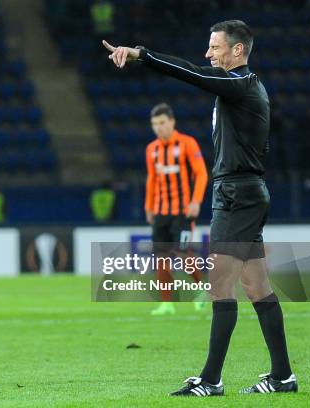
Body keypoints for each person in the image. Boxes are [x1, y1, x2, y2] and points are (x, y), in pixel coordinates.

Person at [103, 20, 297, 396]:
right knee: (256, 287)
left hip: (238, 195)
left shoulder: (240, 84)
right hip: (240, 193)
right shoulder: (242, 89)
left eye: (216, 47)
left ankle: (210, 380)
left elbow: (192, 73)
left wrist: (143, 55)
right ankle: (283, 376)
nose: (208, 54)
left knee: (219, 285)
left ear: (237, 50)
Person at [145, 103, 208, 316]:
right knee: (161, 257)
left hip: (182, 211)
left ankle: (201, 289)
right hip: (161, 211)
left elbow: (201, 174)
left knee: (182, 253)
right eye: (155, 124)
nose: (158, 128)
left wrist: (196, 201)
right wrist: (149, 206)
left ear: (172, 122)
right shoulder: (151, 149)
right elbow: (152, 179)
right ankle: (167, 304)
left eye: (162, 123)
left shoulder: (187, 143)